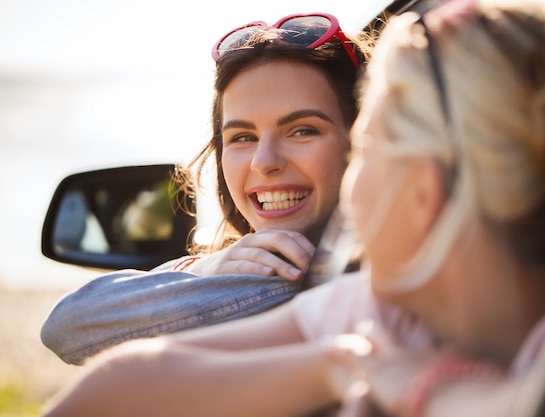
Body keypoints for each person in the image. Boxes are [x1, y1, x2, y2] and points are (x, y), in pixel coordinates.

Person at [41, 0, 545, 416]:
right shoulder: (374, 310)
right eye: (239, 137)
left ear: (421, 192)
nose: (265, 161)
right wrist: (345, 363)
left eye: (364, 146)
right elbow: (96, 355)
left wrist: (420, 385)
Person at [40, 12, 372, 365]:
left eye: (302, 130)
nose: (263, 161)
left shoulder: (307, 281)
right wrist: (210, 266)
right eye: (243, 137)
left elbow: (68, 326)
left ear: (364, 139)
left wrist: (208, 270)